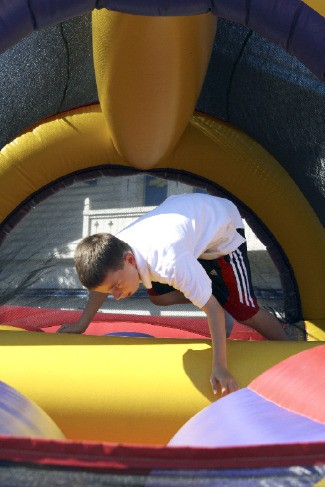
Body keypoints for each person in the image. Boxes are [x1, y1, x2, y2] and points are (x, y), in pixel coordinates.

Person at [58, 193, 289, 395]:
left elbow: (213, 310)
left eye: (116, 286)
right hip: (186, 224)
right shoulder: (115, 252)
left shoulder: (169, 262)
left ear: (130, 260)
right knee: (158, 297)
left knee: (244, 311)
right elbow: (102, 286)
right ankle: (210, 290)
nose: (116, 295)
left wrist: (220, 366)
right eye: (111, 291)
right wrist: (81, 324)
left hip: (222, 231)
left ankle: (290, 348)